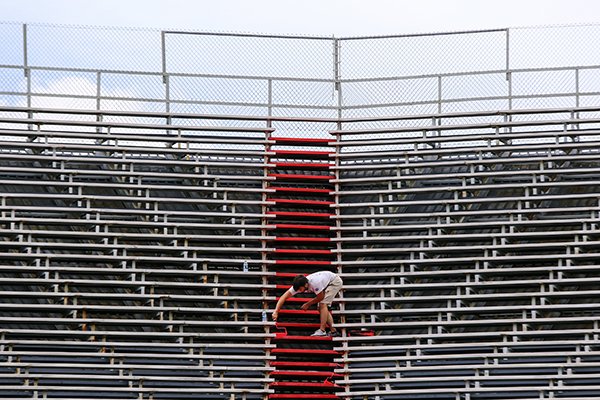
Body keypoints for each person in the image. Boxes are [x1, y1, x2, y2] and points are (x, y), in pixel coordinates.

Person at [272, 270, 343, 336]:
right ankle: (333, 330)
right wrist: (276, 311)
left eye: (300, 289)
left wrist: (307, 304)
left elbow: (320, 297)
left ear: (306, 285)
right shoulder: (298, 285)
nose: (299, 291)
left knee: (322, 304)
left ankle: (322, 330)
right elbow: (283, 297)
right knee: (320, 308)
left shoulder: (315, 283)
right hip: (327, 283)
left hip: (334, 282)